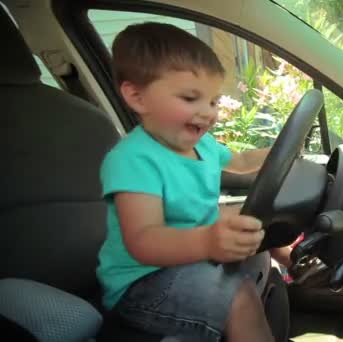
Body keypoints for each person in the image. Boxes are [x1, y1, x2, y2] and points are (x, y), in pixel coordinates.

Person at [97, 22, 291, 342]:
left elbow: (241, 163)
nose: (208, 113)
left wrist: (285, 151)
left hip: (191, 260)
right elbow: (143, 241)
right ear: (137, 96)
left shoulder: (202, 144)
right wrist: (206, 242)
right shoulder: (132, 160)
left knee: (259, 239)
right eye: (190, 98)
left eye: (214, 101)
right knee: (238, 298)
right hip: (142, 284)